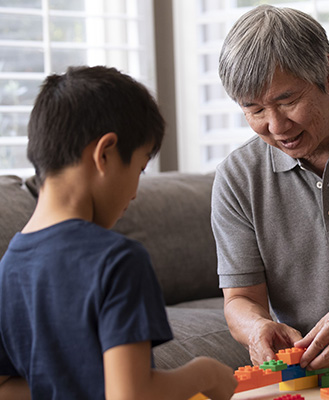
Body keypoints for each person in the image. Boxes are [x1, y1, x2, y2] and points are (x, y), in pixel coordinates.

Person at [0, 66, 237, 399]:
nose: (135, 192)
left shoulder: (9, 266)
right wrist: (203, 373)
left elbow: (7, 388)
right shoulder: (118, 260)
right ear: (105, 153)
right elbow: (131, 395)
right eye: (139, 168)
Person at [212, 4, 329, 371]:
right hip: (320, 381)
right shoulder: (237, 177)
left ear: (328, 76)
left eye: (288, 101)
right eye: (254, 110)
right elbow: (240, 299)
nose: (276, 125)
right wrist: (256, 328)